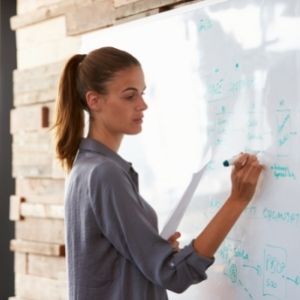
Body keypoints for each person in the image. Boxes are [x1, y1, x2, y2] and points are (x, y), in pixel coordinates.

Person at [54, 46, 264, 300]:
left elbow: (110, 263)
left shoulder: (83, 168)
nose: (143, 105)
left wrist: (155, 250)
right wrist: (237, 200)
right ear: (94, 100)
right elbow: (174, 274)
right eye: (129, 96)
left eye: (142, 94)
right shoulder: (104, 174)